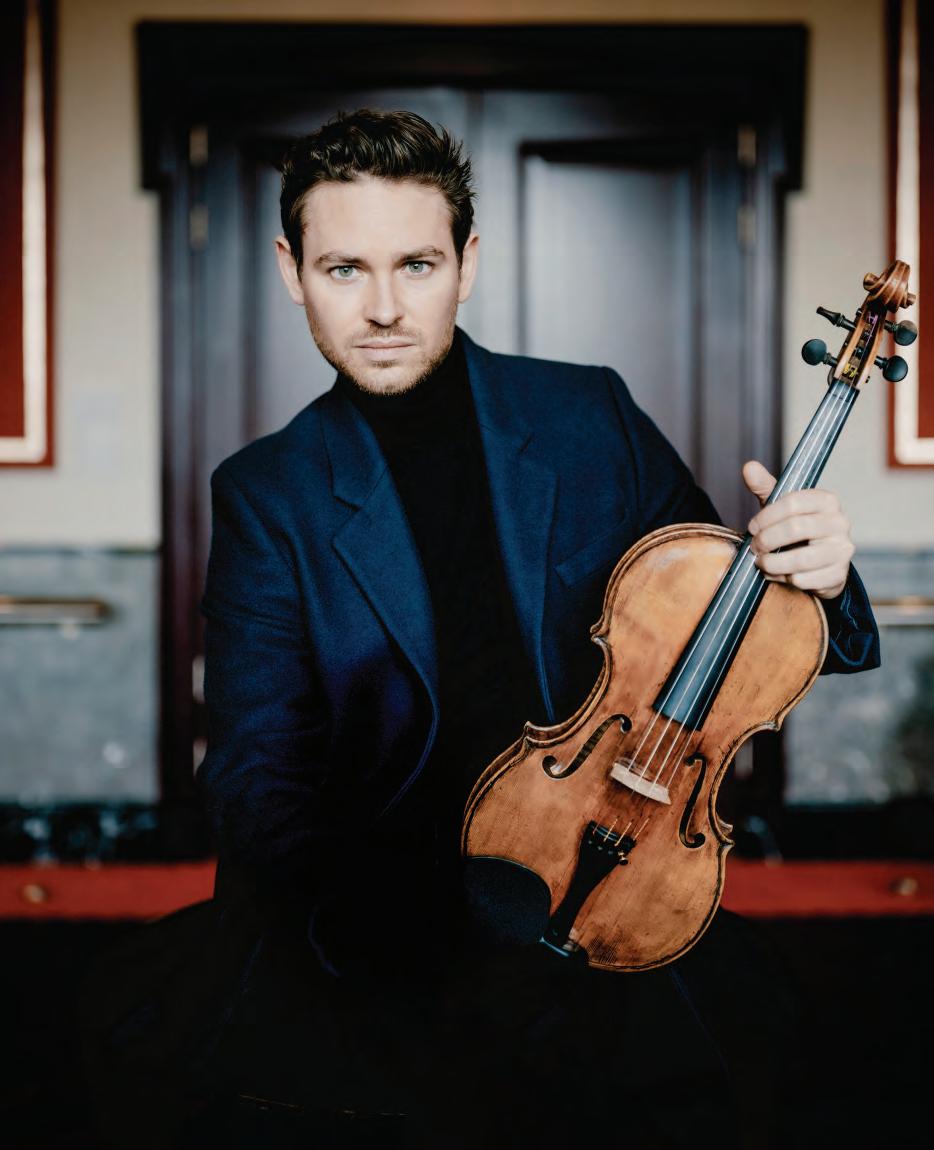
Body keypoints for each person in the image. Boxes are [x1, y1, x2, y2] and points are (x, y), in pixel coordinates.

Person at [194, 109, 879, 1147]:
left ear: (466, 263)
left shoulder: (588, 416)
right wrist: (410, 935)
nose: (383, 308)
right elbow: (256, 772)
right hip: (384, 915)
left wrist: (815, 573)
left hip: (611, 878)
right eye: (343, 270)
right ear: (293, 272)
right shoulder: (265, 493)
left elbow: (722, 627)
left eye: (417, 264)